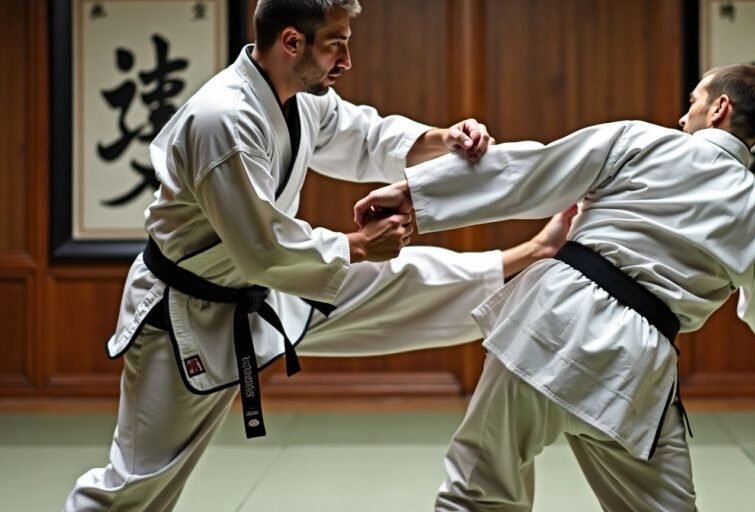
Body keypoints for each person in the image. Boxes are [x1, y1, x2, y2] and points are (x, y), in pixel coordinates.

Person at [63, 0, 577, 510]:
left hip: (266, 284)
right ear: (292, 42)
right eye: (336, 44)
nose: (346, 61)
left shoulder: (299, 99)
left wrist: (444, 139)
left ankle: (531, 254)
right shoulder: (223, 120)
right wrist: (356, 246)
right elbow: (262, 247)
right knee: (133, 489)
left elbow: (367, 137)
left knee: (398, 276)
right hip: (188, 315)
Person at [354, 63, 755, 511]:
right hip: (637, 367)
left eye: (692, 101)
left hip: (549, 324)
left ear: (718, 109)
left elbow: (532, 172)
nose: (682, 115)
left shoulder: (645, 140)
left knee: (480, 492)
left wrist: (414, 193)